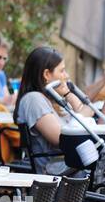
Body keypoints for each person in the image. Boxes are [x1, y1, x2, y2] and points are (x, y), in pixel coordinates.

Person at [13, 46, 98, 174]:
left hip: (72, 166)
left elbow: (87, 112)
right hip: (56, 172)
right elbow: (61, 139)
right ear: (47, 74)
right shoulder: (34, 99)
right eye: (62, 71)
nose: (67, 75)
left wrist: (68, 94)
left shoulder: (55, 100)